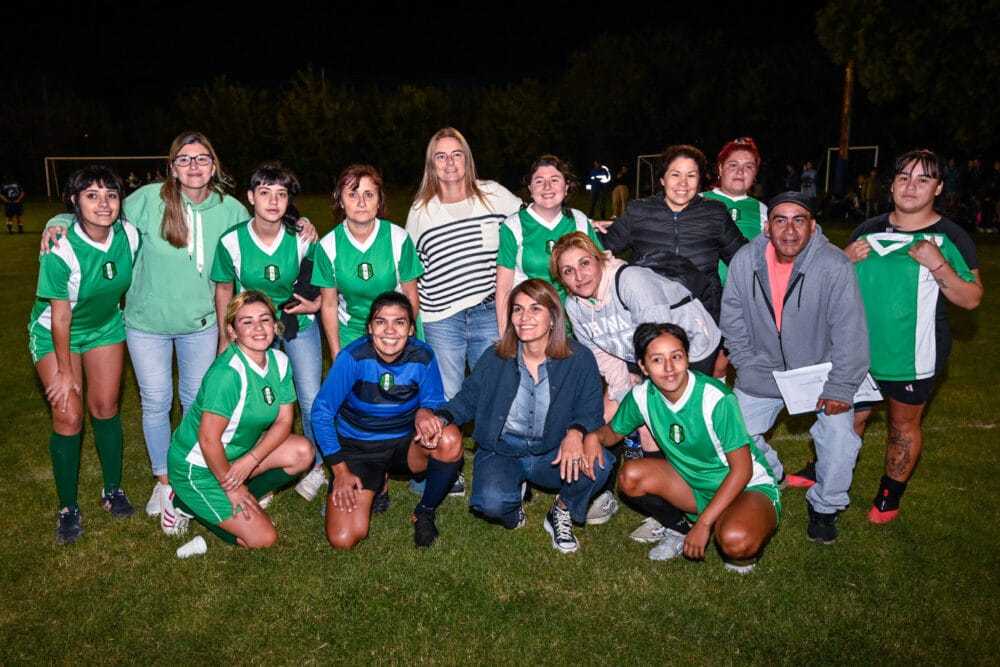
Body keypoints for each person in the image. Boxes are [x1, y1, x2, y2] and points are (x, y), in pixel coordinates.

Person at [40, 131, 316, 529]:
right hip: (145, 322)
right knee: (155, 400)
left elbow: (269, 217)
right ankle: (163, 480)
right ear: (172, 166)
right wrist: (56, 220)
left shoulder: (230, 207)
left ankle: (197, 477)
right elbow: (97, 210)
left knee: (195, 401)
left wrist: (302, 222)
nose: (193, 166)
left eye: (202, 159)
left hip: (201, 323)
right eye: (184, 159)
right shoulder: (148, 199)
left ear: (214, 165)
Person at [720, 191, 869, 544]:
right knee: (730, 430)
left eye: (799, 220)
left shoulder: (833, 264)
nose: (789, 229)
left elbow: (850, 330)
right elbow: (733, 317)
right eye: (780, 220)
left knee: (840, 439)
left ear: (813, 226)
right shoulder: (746, 260)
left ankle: (825, 508)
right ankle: (772, 472)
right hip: (763, 370)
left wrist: (840, 387)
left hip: (821, 373)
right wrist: (746, 363)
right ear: (767, 227)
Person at [420, 279, 612, 553]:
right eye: (518, 310)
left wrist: (576, 431)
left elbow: (591, 409)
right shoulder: (496, 357)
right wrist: (439, 418)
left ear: (553, 317)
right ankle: (514, 506)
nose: (525, 318)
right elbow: (466, 400)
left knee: (601, 463)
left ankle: (561, 510)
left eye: (535, 309)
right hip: (503, 449)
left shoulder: (578, 358)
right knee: (491, 503)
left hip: (552, 452)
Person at [844, 149, 982, 524]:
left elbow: (971, 299)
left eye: (923, 179)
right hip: (858, 353)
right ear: (891, 184)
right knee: (846, 421)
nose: (911, 186)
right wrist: (845, 259)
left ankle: (890, 494)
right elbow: (837, 288)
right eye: (904, 177)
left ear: (938, 187)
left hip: (913, 356)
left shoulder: (949, 237)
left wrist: (937, 263)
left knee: (901, 427)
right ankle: (828, 477)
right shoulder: (867, 230)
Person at [551, 231, 721, 533]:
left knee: (664, 427)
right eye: (568, 271)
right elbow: (603, 356)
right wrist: (621, 392)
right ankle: (603, 493)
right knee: (604, 415)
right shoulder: (575, 306)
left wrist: (642, 404)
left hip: (688, 348)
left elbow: (660, 342)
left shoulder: (630, 280)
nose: (579, 275)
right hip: (638, 356)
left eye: (584, 263)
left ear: (600, 259)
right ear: (561, 279)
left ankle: (678, 511)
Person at [584, 323, 780, 573]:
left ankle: (733, 519)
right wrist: (594, 438)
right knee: (630, 476)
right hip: (694, 486)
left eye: (676, 356)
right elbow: (612, 433)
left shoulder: (716, 398)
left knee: (735, 542)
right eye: (657, 359)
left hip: (746, 485)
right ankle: (682, 526)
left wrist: (705, 524)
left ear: (687, 358)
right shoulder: (642, 397)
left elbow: (742, 470)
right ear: (643, 366)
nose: (669, 368)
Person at [29, 165, 140, 544]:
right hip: (55, 332)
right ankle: (67, 506)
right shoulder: (60, 245)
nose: (103, 203)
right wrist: (63, 372)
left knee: (106, 407)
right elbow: (60, 315)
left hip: (105, 327)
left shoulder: (129, 234)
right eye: (91, 195)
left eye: (110, 194)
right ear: (74, 202)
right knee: (69, 412)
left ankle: (112, 490)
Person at [311, 292, 464, 549]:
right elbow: (322, 412)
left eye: (400, 322)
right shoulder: (353, 357)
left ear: (411, 328)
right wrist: (340, 471)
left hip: (404, 444)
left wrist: (425, 412)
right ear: (370, 328)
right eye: (381, 322)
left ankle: (425, 510)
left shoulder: (423, 355)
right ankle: (378, 483)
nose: (390, 330)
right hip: (358, 448)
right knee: (344, 539)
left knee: (448, 438)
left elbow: (434, 401)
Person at [211, 163, 325, 505]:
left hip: (295, 323)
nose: (273, 201)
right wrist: (223, 336)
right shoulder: (231, 240)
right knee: (256, 401)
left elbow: (321, 285)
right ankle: (260, 470)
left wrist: (315, 305)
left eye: (281, 194)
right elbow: (223, 290)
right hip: (255, 329)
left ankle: (319, 467)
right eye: (265, 193)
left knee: (309, 396)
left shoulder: (301, 236)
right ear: (250, 197)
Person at [165, 290, 314, 551]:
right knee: (262, 540)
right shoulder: (227, 374)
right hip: (198, 467)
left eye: (264, 319)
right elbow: (208, 439)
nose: (258, 328)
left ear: (274, 323)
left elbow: (283, 422)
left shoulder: (279, 362)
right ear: (232, 331)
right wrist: (230, 487)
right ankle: (181, 503)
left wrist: (250, 460)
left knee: (302, 452)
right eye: (247, 322)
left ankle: (246, 493)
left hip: (237, 455)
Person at [405, 128, 523, 402]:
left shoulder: (494, 195)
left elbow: (533, 221)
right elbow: (409, 268)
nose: (450, 163)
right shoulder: (421, 210)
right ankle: (450, 446)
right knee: (448, 398)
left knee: (496, 392)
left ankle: (492, 446)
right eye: (441, 157)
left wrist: (580, 225)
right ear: (431, 165)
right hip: (441, 318)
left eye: (456, 154)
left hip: (489, 312)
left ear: (467, 159)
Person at [599, 143, 747, 328]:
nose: (683, 183)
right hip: (649, 316)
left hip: (702, 316)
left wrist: (770, 237)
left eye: (691, 175)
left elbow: (744, 259)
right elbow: (600, 247)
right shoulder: (638, 211)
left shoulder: (715, 213)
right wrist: (583, 224)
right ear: (662, 178)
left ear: (699, 179)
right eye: (675, 174)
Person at [495, 154, 602, 333]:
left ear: (566, 186)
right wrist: (505, 334)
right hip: (533, 326)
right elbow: (504, 287)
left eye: (554, 179)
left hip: (581, 325)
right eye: (539, 181)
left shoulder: (579, 220)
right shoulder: (513, 226)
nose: (547, 187)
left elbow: (603, 271)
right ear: (530, 188)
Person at [702, 137, 769, 379]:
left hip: (739, 299)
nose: (741, 171)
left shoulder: (764, 211)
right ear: (720, 168)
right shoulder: (696, 201)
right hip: (698, 297)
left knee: (721, 363)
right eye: (733, 164)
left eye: (748, 166)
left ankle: (715, 410)